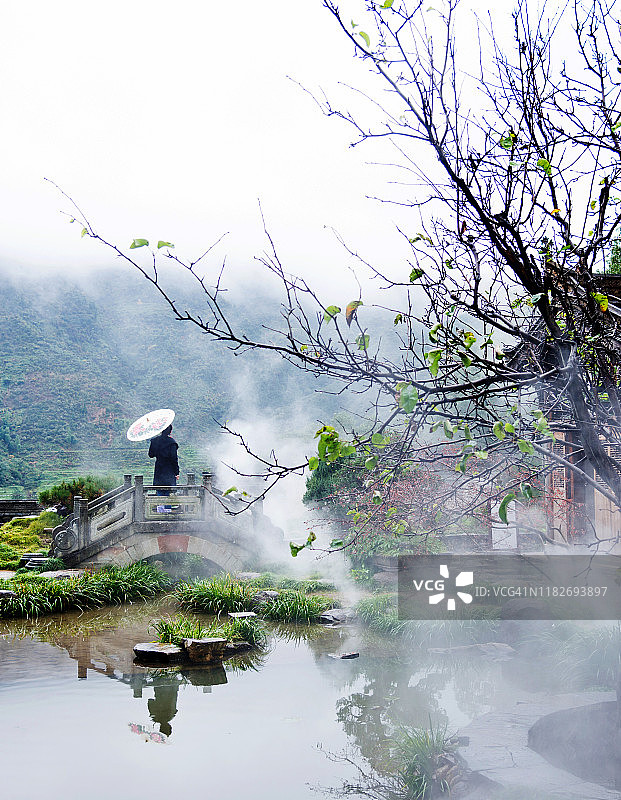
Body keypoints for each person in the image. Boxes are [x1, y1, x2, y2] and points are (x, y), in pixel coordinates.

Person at [148, 424, 179, 495]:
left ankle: (160, 502)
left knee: (159, 491)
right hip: (169, 470)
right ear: (170, 431)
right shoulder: (172, 442)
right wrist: (176, 472)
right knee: (169, 493)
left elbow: (151, 455)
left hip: (159, 469)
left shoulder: (155, 441)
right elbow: (174, 459)